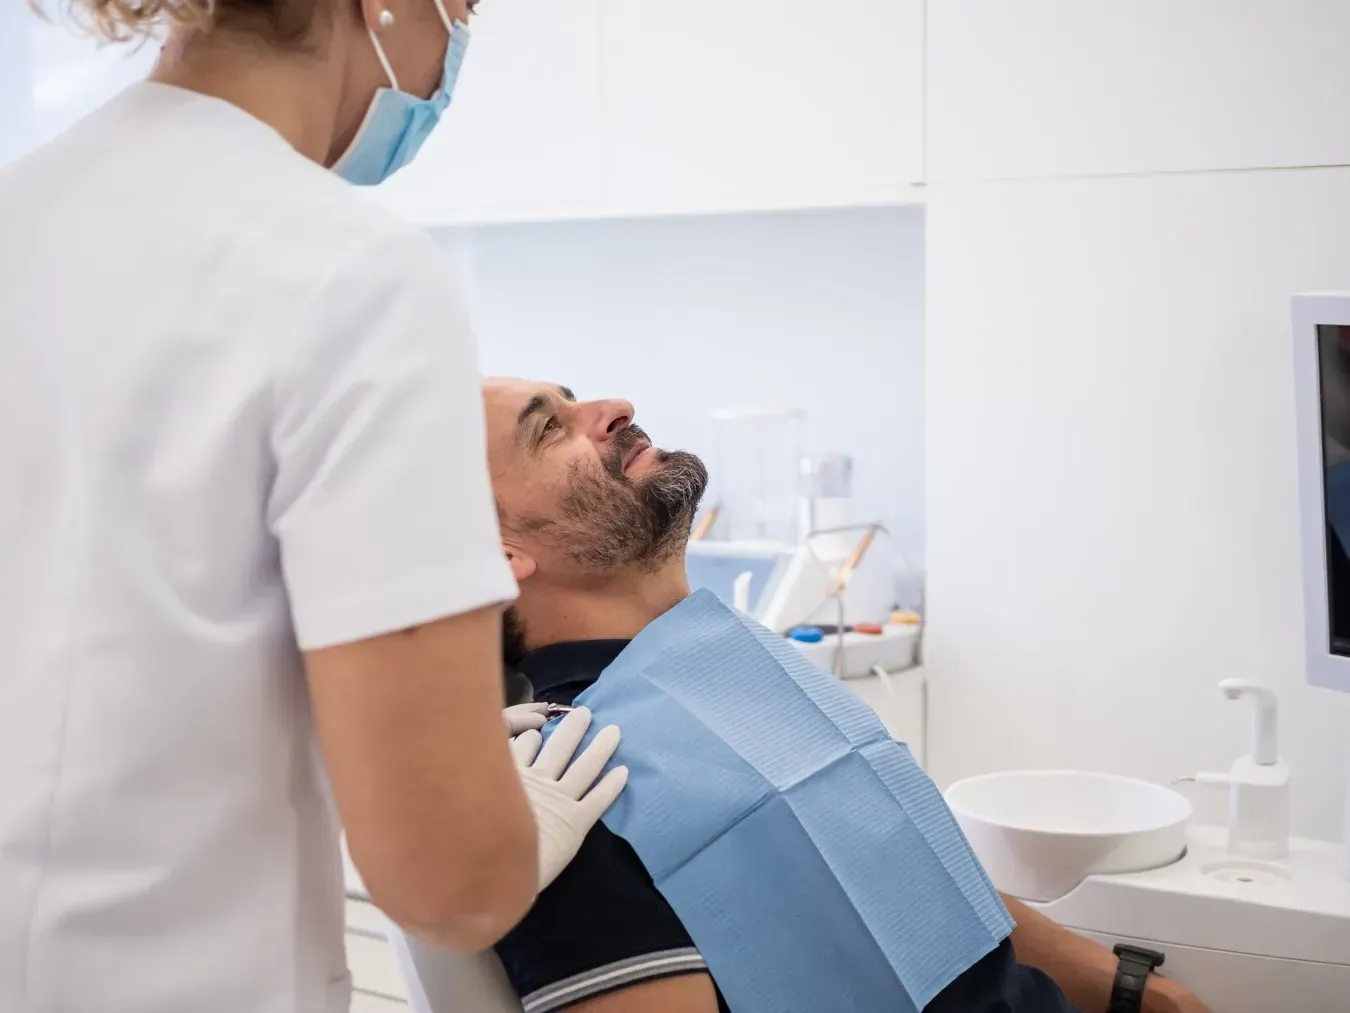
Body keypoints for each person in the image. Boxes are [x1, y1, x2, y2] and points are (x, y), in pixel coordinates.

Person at [0, 5, 624, 1013]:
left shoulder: (19, 213)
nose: (455, 43)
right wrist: (509, 824)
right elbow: (448, 880)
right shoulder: (351, 273)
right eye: (462, 9)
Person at [477, 377, 1216, 1013]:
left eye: (574, 398)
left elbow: (905, 874)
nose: (612, 406)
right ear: (500, 554)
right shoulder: (558, 785)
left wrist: (1125, 985)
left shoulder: (732, 655)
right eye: (549, 429)